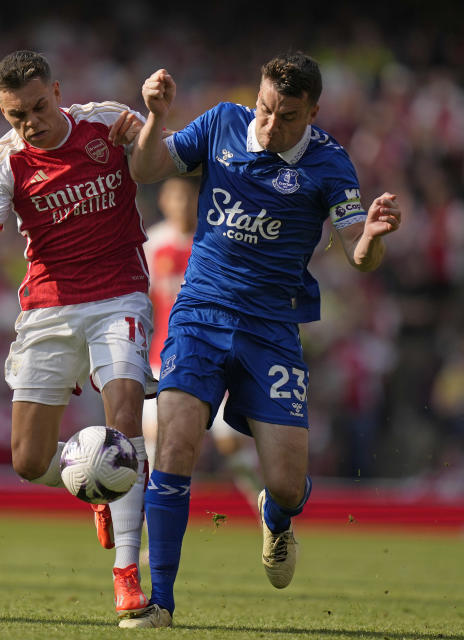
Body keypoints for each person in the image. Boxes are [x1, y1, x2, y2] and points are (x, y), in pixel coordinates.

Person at [118, 52, 403, 628]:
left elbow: (358, 253)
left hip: (271, 330)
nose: (272, 126)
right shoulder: (221, 122)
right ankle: (162, 603)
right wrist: (153, 117)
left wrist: (371, 236)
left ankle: (278, 514)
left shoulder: (330, 164)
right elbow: (146, 171)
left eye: (289, 117)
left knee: (286, 482)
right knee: (174, 447)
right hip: (200, 312)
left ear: (314, 113)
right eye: (267, 110)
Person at [0, 50, 154, 623]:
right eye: (16, 115)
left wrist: (149, 129)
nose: (31, 122)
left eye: (39, 107)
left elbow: (157, 162)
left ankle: (126, 576)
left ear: (58, 91)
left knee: (125, 412)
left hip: (119, 294)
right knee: (27, 460)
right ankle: (95, 477)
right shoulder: (5, 161)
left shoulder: (106, 124)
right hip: (48, 306)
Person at [141, 177, 261, 509]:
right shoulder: (153, 245)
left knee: (230, 443)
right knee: (159, 442)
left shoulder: (216, 241)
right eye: (174, 195)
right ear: (164, 200)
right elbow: (142, 303)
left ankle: (267, 513)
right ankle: (153, 530)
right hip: (164, 356)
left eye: (188, 195)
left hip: (214, 358)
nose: (181, 203)